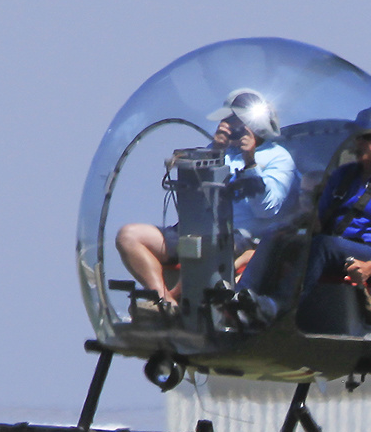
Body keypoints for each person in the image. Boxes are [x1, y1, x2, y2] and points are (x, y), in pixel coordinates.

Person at [236, 104, 371, 323]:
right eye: (358, 136)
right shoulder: (343, 175)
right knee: (275, 233)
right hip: (335, 245)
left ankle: (277, 306)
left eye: (368, 137)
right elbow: (319, 222)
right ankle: (239, 298)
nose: (360, 142)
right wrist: (292, 227)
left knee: (324, 245)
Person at [116, 88, 297, 313]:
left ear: (250, 124)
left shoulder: (279, 157)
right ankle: (165, 302)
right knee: (129, 236)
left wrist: (250, 161)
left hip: (242, 237)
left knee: (208, 244)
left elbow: (267, 210)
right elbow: (192, 197)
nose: (226, 125)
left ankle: (175, 299)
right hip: (197, 228)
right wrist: (215, 151)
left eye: (232, 121)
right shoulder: (220, 151)